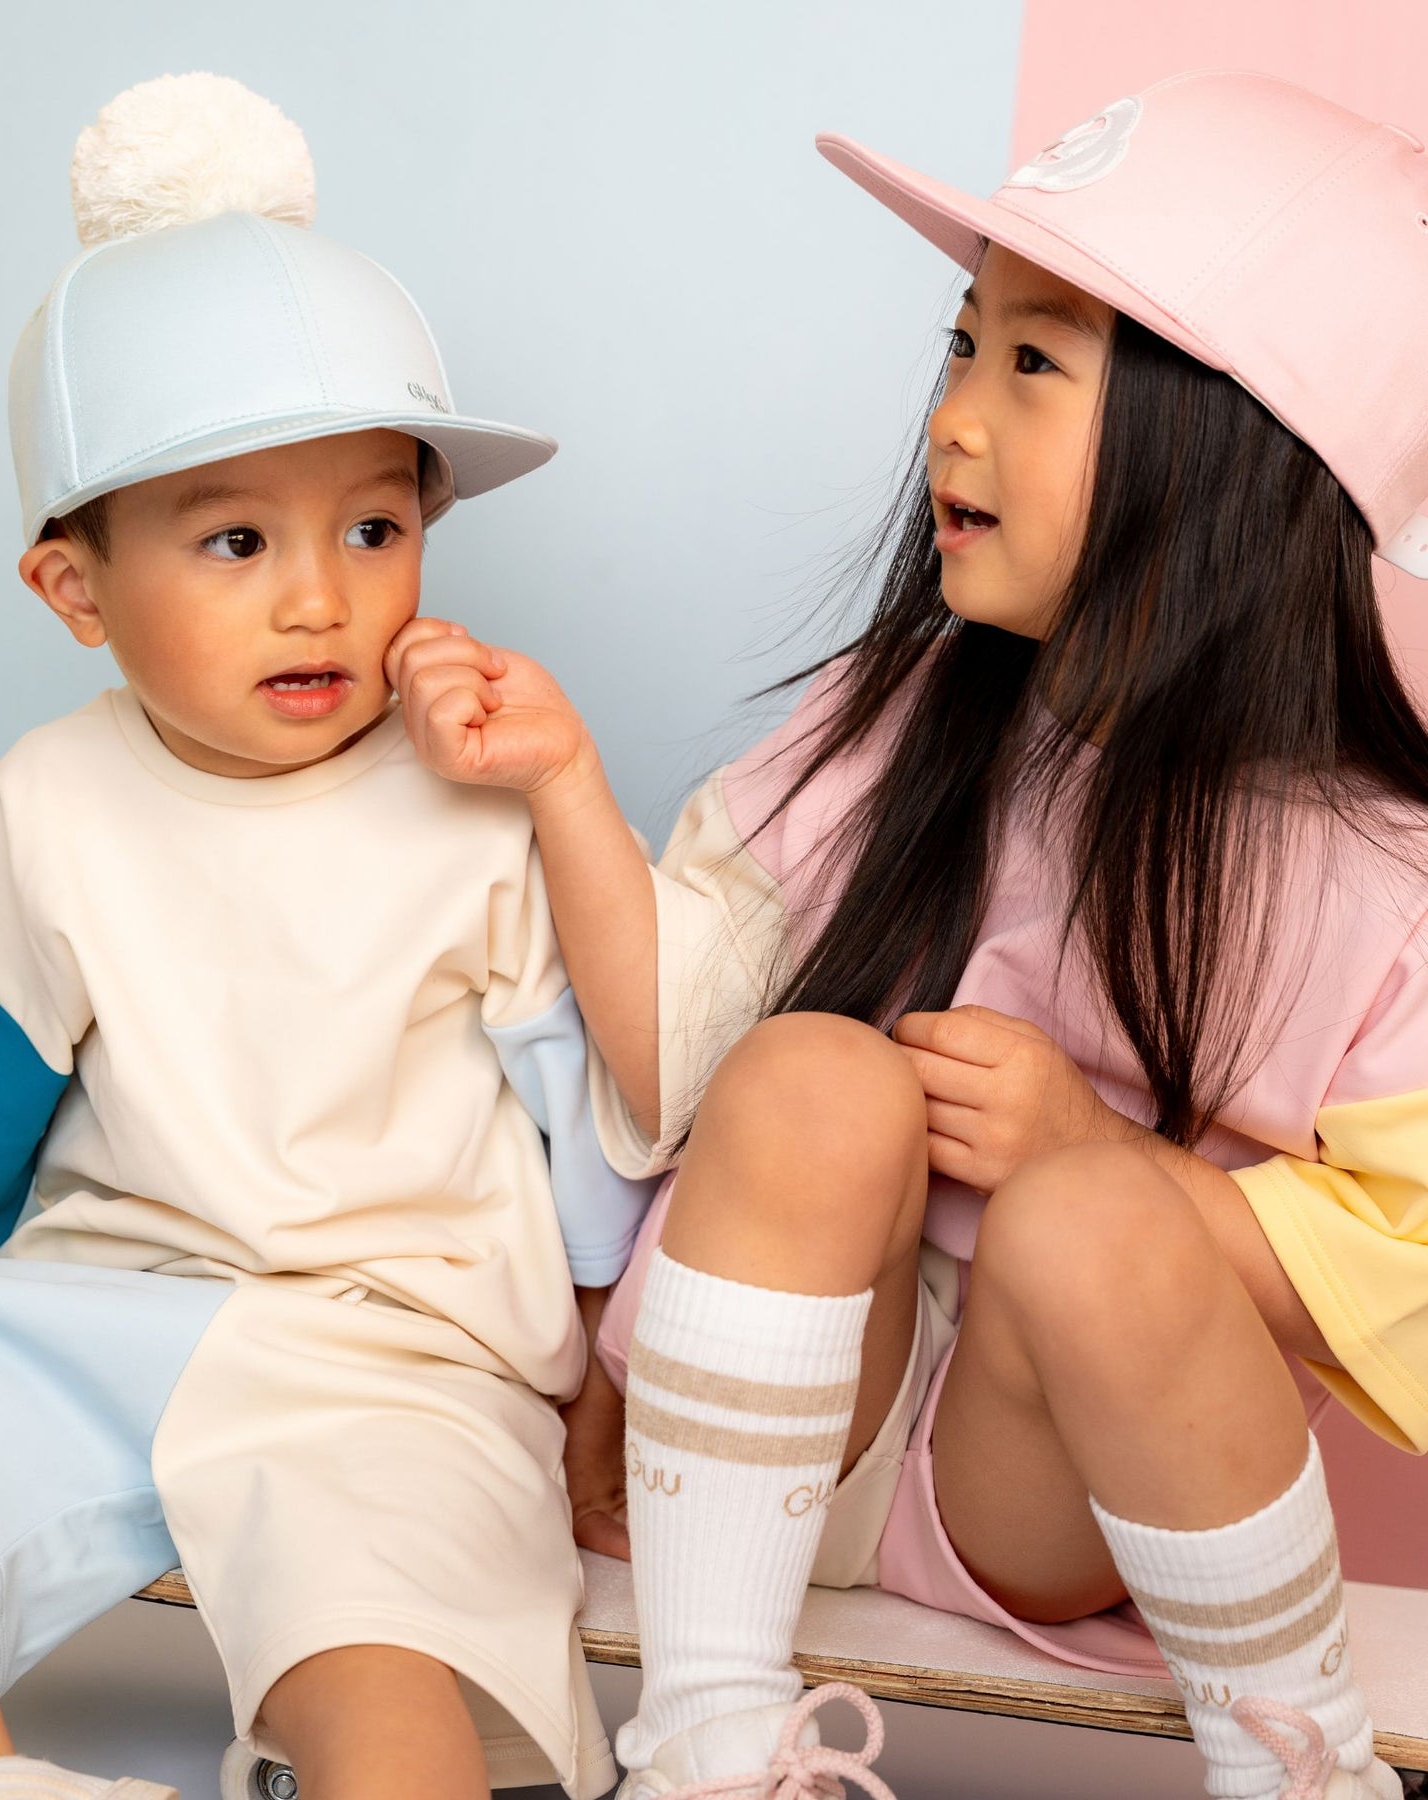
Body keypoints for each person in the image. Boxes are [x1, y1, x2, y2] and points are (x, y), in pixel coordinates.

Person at [390, 69, 1428, 1800]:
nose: (953, 418)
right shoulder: (905, 723)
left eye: (1033, 364)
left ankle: (1301, 1764)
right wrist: (562, 783)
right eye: (963, 346)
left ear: (1240, 450)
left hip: (1061, 1498)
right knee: (809, 1073)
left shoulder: (1382, 878)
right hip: (784, 1437)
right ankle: (710, 1738)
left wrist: (1101, 1153)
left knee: (1091, 1216)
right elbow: (675, 1063)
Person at [0, 74, 649, 1800]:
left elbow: (598, 1143)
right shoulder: (50, 805)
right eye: (236, 540)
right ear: (78, 591)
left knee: (379, 1689)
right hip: (115, 1319)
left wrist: (600, 1391)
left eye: (374, 527)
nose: (320, 596)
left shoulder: (485, 802)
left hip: (397, 1368)